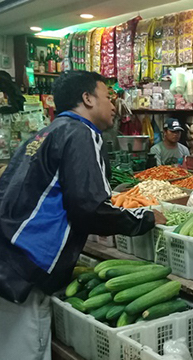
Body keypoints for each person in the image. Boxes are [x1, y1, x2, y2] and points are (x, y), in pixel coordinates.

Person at [0, 70, 166, 360]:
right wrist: (146, 219)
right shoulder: (82, 132)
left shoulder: (43, 133)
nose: (114, 105)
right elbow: (89, 209)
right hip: (26, 268)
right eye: (107, 97)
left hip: (8, 260)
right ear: (87, 99)